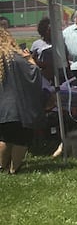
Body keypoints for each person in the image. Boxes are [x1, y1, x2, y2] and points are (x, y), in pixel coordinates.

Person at [0, 27, 47, 174]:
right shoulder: (16, 57)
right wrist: (31, 60)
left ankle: (2, 167)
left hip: (2, 108)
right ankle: (14, 169)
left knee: (5, 137)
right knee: (20, 137)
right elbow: (34, 74)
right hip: (16, 107)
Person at [29, 17, 56, 83]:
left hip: (57, 75)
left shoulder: (58, 43)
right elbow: (31, 59)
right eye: (49, 30)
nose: (50, 32)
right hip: (43, 76)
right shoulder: (36, 44)